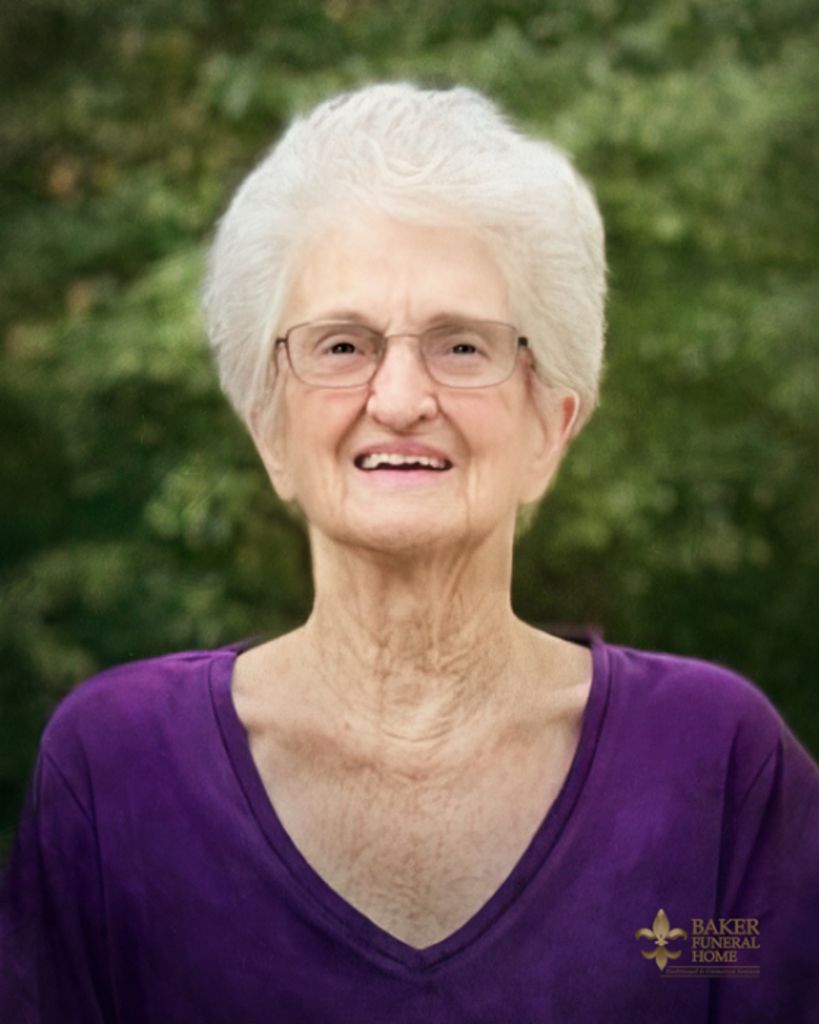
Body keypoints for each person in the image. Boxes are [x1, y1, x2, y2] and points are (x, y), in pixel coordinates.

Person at [2, 82, 818, 1023]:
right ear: (270, 430)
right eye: (341, 346)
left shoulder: (711, 766)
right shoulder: (118, 772)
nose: (397, 399)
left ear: (549, 428)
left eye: (461, 346)